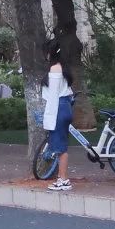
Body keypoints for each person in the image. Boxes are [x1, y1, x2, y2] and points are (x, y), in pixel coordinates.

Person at [42, 42, 75, 193]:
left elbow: (53, 96)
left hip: (58, 108)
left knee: (61, 147)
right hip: (65, 106)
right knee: (62, 145)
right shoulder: (64, 68)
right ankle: (62, 178)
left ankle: (63, 179)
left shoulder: (55, 68)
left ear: (51, 53)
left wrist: (48, 118)